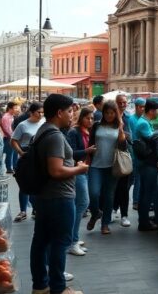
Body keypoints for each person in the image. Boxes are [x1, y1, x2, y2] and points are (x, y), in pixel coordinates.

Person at [29, 94, 87, 294]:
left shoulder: (43, 131)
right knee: (59, 243)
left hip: (46, 196)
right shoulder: (54, 135)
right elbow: (56, 170)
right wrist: (79, 169)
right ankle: (58, 288)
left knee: (41, 241)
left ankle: (40, 286)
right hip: (59, 197)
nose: (72, 115)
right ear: (59, 112)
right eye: (70, 111)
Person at [86, 101, 127, 235]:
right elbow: (90, 142)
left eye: (112, 113)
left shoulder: (119, 126)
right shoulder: (97, 125)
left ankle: (105, 224)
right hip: (96, 165)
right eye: (107, 112)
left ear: (116, 113)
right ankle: (95, 213)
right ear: (103, 113)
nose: (109, 115)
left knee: (109, 196)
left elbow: (123, 147)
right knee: (93, 193)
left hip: (112, 166)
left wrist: (121, 129)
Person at [134, 102, 158, 231]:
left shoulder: (144, 121)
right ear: (152, 111)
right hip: (147, 163)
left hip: (144, 163)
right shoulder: (143, 123)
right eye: (157, 110)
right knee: (152, 194)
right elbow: (153, 140)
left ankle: (144, 222)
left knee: (146, 193)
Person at [65, 108, 96, 254]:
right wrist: (87, 151)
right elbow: (70, 153)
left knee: (81, 204)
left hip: (86, 170)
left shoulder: (89, 132)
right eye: (87, 118)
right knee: (83, 203)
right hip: (77, 170)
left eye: (92, 118)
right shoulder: (74, 132)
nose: (90, 121)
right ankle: (72, 241)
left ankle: (73, 237)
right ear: (81, 117)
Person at [12, 103, 45, 222]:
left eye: (42, 112)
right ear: (31, 112)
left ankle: (36, 208)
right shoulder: (23, 125)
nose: (41, 114)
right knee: (24, 184)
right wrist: (20, 152)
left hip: (40, 156)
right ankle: (23, 210)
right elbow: (13, 140)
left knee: (37, 184)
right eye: (38, 112)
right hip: (26, 156)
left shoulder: (44, 123)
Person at [112, 94, 135, 227]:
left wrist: (124, 135)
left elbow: (130, 137)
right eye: (120, 102)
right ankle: (113, 209)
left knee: (124, 188)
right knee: (112, 187)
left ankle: (124, 215)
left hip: (125, 156)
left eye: (124, 103)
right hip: (111, 156)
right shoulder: (110, 116)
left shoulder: (128, 118)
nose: (122, 105)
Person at [0, 101, 20, 173]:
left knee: (15, 152)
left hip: (12, 137)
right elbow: (6, 129)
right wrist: (13, 137)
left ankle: (15, 166)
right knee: (10, 153)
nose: (16, 109)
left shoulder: (11, 116)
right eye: (15, 108)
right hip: (8, 137)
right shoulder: (6, 117)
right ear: (10, 109)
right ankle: (9, 168)